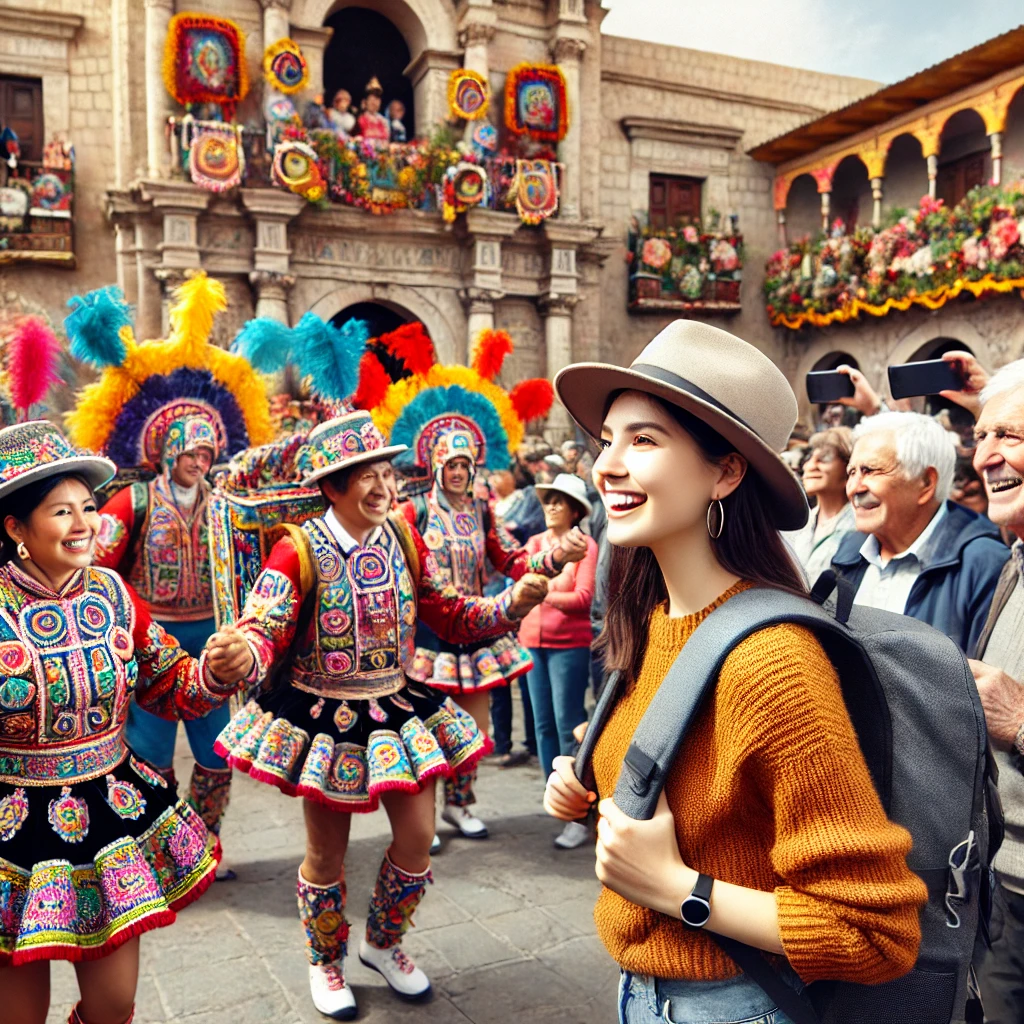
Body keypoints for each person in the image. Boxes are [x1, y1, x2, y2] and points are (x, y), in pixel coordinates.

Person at [543, 320, 926, 1023]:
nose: (607, 465)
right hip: (642, 993)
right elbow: (709, 800)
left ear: (725, 471)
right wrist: (592, 778)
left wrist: (675, 887)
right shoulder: (653, 617)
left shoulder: (772, 662)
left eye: (645, 440)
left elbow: (877, 934)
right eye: (609, 440)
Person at [213, 411, 550, 1019]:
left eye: (384, 472)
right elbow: (266, 622)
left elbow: (448, 612)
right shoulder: (298, 549)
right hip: (323, 715)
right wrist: (245, 649)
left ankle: (383, 942)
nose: (381, 486)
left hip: (396, 703)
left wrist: (509, 603)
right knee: (326, 853)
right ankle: (325, 959)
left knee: (419, 836)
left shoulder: (402, 536)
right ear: (331, 487)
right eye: (362, 475)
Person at [0, 421, 251, 1024]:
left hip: (110, 819)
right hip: (13, 831)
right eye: (61, 511)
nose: (84, 523)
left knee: (114, 1007)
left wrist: (217, 671)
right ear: (16, 528)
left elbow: (170, 683)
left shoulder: (113, 594)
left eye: (87, 507)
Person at [400, 428, 586, 841]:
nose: (459, 472)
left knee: (473, 728)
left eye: (466, 465)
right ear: (437, 466)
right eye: (452, 464)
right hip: (428, 635)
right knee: (425, 729)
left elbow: (513, 559)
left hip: (475, 631)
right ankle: (421, 818)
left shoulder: (481, 512)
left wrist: (557, 556)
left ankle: (460, 803)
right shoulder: (413, 512)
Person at [94, 415, 236, 877]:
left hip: (209, 641)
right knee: (151, 757)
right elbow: (96, 570)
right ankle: (159, 855)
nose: (199, 463)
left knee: (217, 754)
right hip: (152, 640)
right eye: (191, 454)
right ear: (170, 454)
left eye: (207, 454)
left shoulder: (222, 504)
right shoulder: (131, 503)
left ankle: (204, 845)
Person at [832, 411, 1007, 653]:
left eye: (870, 470)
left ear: (925, 483)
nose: (854, 488)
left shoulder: (984, 564)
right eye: (852, 472)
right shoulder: (849, 552)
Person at [965, 358, 1024, 1022]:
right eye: (979, 436)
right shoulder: (1015, 559)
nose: (984, 456)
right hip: (996, 887)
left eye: (1007, 434)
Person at [520, 473, 597, 850]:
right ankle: (554, 796)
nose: (551, 506)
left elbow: (583, 597)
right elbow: (516, 582)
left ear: (574, 510)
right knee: (542, 725)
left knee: (569, 725)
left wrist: (541, 592)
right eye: (548, 499)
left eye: (559, 501)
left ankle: (578, 812)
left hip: (569, 645)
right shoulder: (535, 543)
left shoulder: (585, 545)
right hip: (531, 642)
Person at [783, 426, 856, 582]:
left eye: (825, 458)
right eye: (809, 458)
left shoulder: (859, 528)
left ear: (849, 467)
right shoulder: (798, 524)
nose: (810, 466)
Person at [490, 467, 545, 545]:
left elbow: (528, 522)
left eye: (494, 485)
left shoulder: (526, 495)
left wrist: (514, 525)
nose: (492, 489)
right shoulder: (494, 505)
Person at [357, 77, 391, 144]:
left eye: (377, 100)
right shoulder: (361, 119)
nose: (374, 103)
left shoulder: (383, 121)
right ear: (365, 102)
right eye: (372, 100)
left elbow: (387, 139)